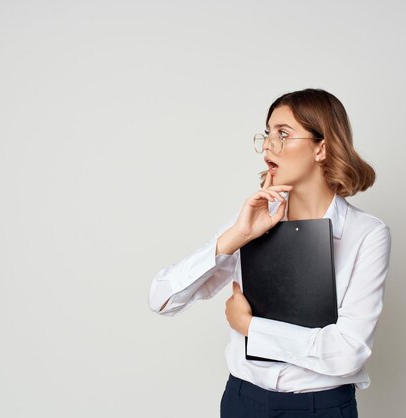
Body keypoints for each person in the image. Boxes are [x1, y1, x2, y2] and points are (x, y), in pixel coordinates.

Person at [148, 88, 392, 418]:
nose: (267, 146)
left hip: (321, 407)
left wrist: (251, 328)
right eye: (266, 135)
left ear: (321, 147)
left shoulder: (366, 234)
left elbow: (348, 352)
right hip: (243, 400)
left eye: (282, 134)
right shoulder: (253, 220)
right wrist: (236, 236)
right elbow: (162, 299)